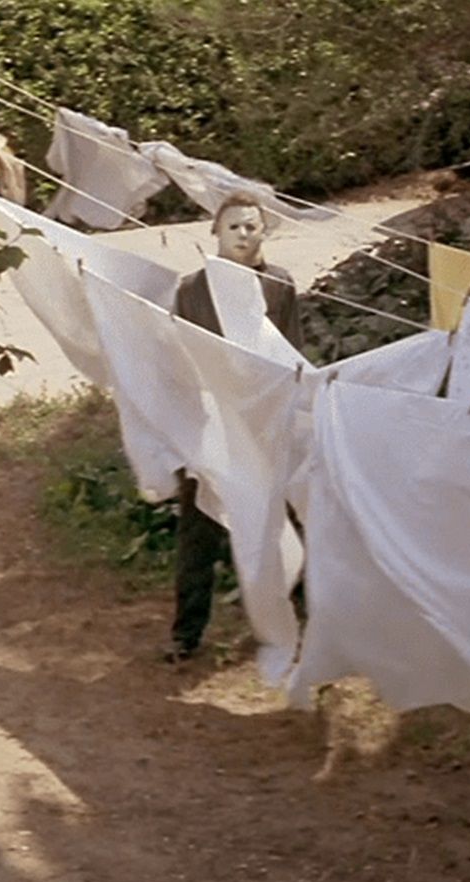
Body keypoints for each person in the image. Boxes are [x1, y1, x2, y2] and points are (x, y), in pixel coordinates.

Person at [165, 192, 303, 662]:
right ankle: (186, 636)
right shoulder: (191, 290)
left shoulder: (279, 286)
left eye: (251, 226)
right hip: (210, 425)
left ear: (264, 231)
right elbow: (181, 361)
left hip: (265, 424)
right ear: (216, 234)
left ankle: (302, 625)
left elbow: (291, 358)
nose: (244, 234)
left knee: (288, 520)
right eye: (234, 227)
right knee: (199, 530)